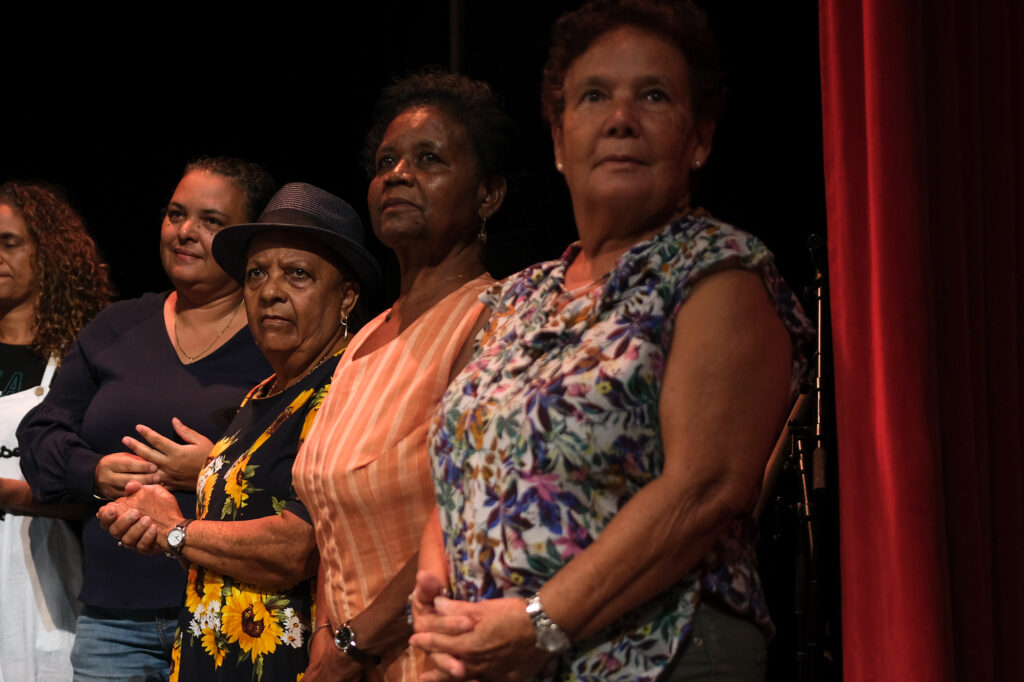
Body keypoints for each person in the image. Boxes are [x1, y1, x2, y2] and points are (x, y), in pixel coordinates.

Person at [409, 2, 814, 681]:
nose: (621, 117)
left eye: (654, 96)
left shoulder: (719, 271)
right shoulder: (520, 296)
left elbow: (705, 488)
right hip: (501, 658)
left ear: (700, 138)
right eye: (595, 95)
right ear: (561, 141)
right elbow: (469, 460)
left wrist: (539, 622)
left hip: (657, 652)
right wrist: (436, 582)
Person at [97, 182, 382, 681]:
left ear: (347, 297)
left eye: (297, 274)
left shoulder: (349, 387)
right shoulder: (261, 395)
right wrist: (151, 514)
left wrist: (175, 531)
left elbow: (297, 548)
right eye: (256, 274)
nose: (270, 291)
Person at [291, 70, 517, 681]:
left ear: (488, 195)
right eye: (387, 160)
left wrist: (351, 646)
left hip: (443, 660)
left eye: (429, 159)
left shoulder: (495, 322)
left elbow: (473, 516)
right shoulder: (366, 336)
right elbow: (331, 530)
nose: (398, 174)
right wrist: (325, 642)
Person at [18, 157, 276, 681]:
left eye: (211, 221)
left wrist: (214, 467)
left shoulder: (275, 334)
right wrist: (91, 472)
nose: (186, 232)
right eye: (176, 214)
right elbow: (40, 433)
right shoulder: (119, 326)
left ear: (246, 239)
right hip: (114, 620)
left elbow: (311, 458)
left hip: (231, 612)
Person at [0, 181, 112, 680]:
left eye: (9, 242)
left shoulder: (79, 362)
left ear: (47, 255)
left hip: (44, 590)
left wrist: (11, 494)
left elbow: (102, 493)